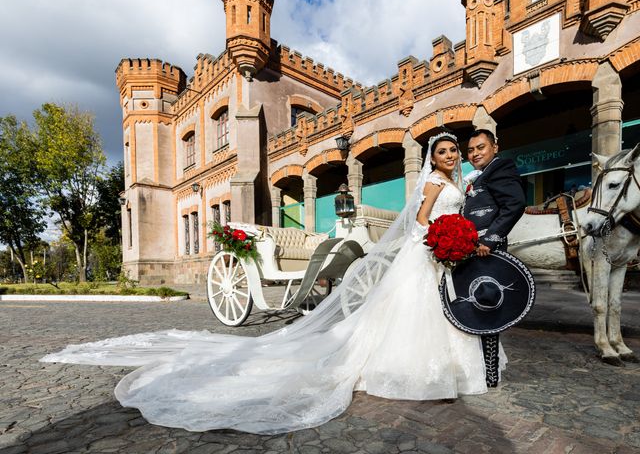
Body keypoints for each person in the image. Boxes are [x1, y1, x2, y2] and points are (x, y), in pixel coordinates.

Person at [42, 132, 495, 435]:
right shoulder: (434, 182)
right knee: (418, 310)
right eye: (445, 152)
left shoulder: (458, 182)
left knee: (434, 310)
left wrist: (451, 238)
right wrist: (438, 238)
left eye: (455, 152)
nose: (452, 157)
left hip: (439, 253)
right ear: (433, 158)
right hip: (429, 248)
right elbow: (420, 219)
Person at [463, 129, 526, 387]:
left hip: (489, 251)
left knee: (488, 305)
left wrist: (491, 239)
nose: (475, 153)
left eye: (481, 147)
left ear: (495, 148)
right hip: (472, 251)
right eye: (471, 150)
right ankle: (481, 366)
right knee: (474, 304)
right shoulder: (480, 175)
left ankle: (490, 373)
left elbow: (515, 203)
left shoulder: (500, 168)